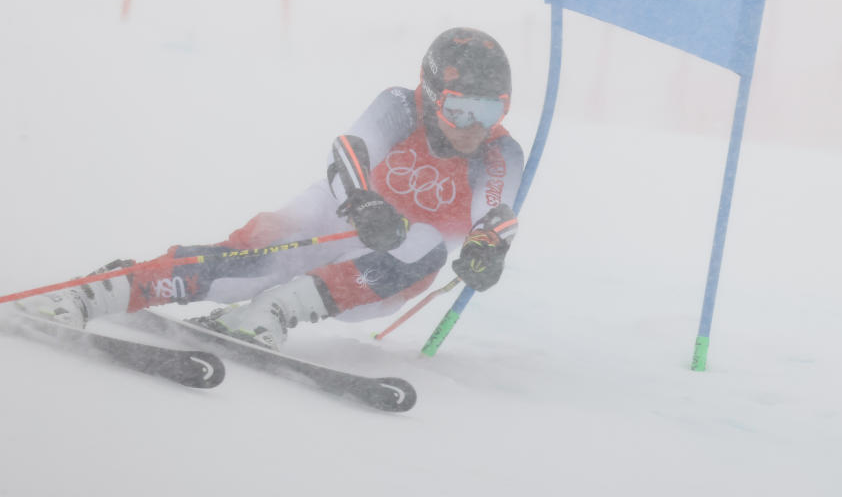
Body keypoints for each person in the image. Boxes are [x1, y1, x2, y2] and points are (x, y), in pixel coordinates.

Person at [17, 27, 523, 350]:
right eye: (460, 107)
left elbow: (496, 212)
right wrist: (362, 201)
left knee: (426, 243)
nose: (473, 124)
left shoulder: (499, 152)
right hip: (336, 220)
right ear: (433, 94)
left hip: (388, 271)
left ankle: (274, 312)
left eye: (490, 110)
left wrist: (487, 248)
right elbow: (349, 147)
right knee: (249, 266)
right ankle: (104, 291)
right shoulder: (401, 105)